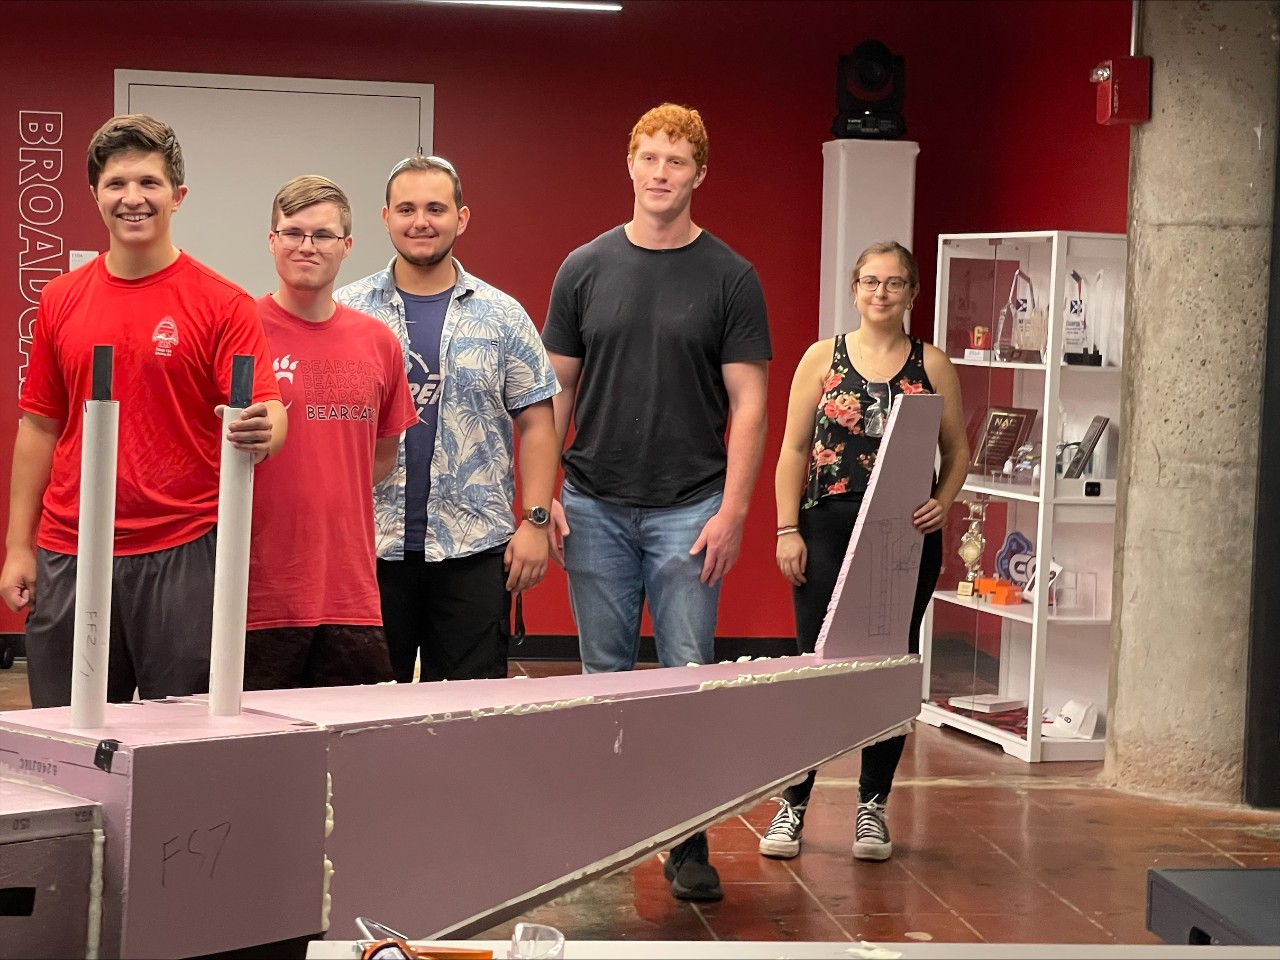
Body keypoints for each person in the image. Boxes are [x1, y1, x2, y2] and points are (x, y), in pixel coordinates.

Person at [542, 103, 771, 903]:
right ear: (630, 166)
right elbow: (555, 390)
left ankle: (687, 840)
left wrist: (734, 511)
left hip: (689, 508)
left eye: (678, 160)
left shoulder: (730, 277)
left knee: (686, 679)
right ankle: (609, 835)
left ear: (699, 174)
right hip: (594, 503)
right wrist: (542, 498)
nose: (662, 172)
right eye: (650, 157)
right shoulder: (584, 267)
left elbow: (749, 403)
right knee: (603, 678)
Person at [0, 114, 286, 707]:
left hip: (181, 550)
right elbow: (38, 428)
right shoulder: (59, 299)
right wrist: (19, 546)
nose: (133, 199)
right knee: (65, 736)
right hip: (71, 549)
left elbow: (267, 410)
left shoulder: (223, 302)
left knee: (180, 740)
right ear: (95, 196)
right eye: (117, 184)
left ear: (177, 196)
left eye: (150, 183)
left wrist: (267, 428)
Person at [759, 240, 969, 862]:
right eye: (871, 282)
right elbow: (793, 449)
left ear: (912, 293)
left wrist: (946, 501)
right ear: (853, 289)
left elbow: (957, 450)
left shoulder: (932, 363)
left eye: (895, 283)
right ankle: (793, 804)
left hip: (904, 536)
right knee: (813, 665)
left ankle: (872, 807)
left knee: (889, 668)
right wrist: (784, 529)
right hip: (824, 526)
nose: (881, 293)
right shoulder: (822, 358)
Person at [335, 155, 559, 684]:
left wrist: (536, 522)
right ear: (385, 217)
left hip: (474, 552)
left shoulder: (503, 316)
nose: (421, 221)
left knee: (467, 721)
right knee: (360, 713)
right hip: (368, 550)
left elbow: (538, 424)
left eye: (436, 208)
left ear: (461, 218)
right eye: (407, 209)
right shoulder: (348, 312)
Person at [243, 175, 416, 690]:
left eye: (322, 235)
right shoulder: (239, 331)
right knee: (254, 758)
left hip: (350, 594)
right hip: (257, 596)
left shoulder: (379, 343)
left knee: (352, 756)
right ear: (272, 240)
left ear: (347, 247)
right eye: (293, 232)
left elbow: (381, 458)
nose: (306, 246)